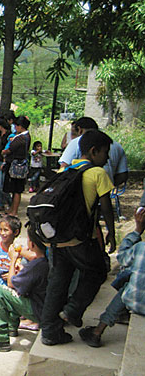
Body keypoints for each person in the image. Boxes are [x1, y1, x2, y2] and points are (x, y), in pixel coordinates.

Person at [40, 130, 116, 346]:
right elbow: (106, 208)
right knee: (98, 270)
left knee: (58, 282)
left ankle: (50, 332)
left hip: (58, 238)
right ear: (94, 151)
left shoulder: (68, 169)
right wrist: (110, 232)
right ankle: (73, 310)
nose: (107, 158)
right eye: (105, 152)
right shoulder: (98, 174)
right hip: (80, 238)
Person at [0, 227, 49, 352]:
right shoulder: (45, 262)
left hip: (38, 310)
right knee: (17, 292)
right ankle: (11, 327)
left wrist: (13, 260)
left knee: (0, 292)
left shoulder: (37, 265)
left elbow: (11, 283)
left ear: (32, 244)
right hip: (45, 307)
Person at [79, 207, 145, 348]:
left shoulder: (141, 248)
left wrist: (137, 230)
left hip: (134, 300)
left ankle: (98, 331)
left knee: (129, 286)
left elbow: (122, 257)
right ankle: (119, 316)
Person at [59, 117, 128, 186]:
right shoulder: (116, 145)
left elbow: (63, 168)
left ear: (80, 130)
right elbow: (122, 175)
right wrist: (108, 185)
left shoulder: (76, 142)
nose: (107, 158)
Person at [2, 116, 31, 219]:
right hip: (21, 164)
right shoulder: (27, 137)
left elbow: (10, 149)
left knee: (16, 190)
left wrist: (4, 152)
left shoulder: (20, 138)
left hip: (15, 165)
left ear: (20, 126)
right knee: (16, 189)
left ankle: (14, 211)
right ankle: (12, 209)